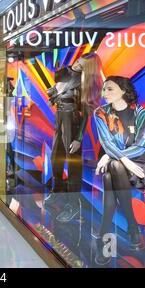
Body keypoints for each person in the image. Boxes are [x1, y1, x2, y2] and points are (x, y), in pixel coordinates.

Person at [93, 76, 145, 265]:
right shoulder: (100, 113)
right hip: (121, 164)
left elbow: (142, 144)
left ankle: (104, 232)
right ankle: (132, 226)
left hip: (141, 164)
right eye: (104, 90)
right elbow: (106, 142)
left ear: (123, 91)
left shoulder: (142, 113)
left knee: (111, 171)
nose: (104, 94)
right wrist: (121, 159)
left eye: (110, 89)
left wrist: (112, 156)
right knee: (114, 168)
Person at [45, 52, 104, 223]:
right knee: (56, 156)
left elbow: (86, 112)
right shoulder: (68, 73)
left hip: (73, 120)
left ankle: (73, 205)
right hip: (60, 116)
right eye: (78, 61)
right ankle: (58, 191)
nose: (77, 64)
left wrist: (79, 138)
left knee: (73, 163)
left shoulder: (88, 82)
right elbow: (55, 90)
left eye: (82, 64)